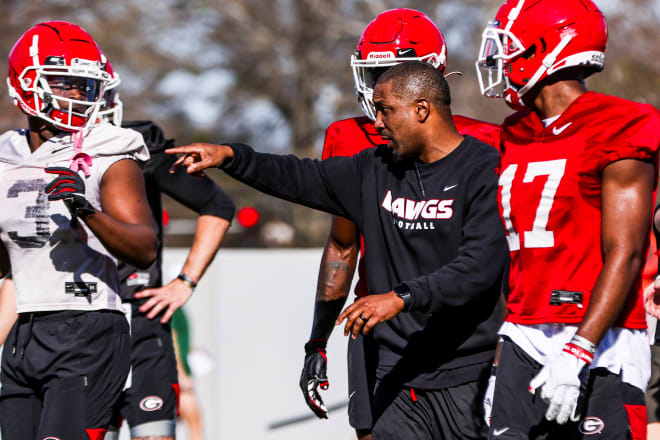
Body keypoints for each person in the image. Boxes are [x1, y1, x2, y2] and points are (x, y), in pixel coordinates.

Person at [169, 61, 508, 439]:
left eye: (385, 109)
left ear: (422, 109)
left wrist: (401, 298)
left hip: (467, 372)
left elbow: (479, 267)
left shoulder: (486, 169)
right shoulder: (375, 169)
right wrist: (231, 157)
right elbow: (299, 176)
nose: (377, 122)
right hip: (396, 374)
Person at [299, 8, 502, 439]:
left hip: (462, 331)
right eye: (374, 74)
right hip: (376, 322)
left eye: (391, 72)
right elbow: (342, 244)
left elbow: (493, 256)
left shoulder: (486, 143)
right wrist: (317, 340)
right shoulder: (346, 137)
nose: (378, 86)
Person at [475, 0, 660, 438]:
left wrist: (579, 349)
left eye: (509, 45)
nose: (499, 58)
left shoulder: (622, 123)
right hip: (523, 331)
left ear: (546, 48)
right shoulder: (514, 131)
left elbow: (627, 251)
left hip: (603, 335)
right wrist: (504, 347)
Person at [0, 21, 157, 439]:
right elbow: (10, 264)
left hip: (87, 328)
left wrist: (85, 209)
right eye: (62, 81)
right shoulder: (6, 154)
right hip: (23, 333)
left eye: (82, 84)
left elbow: (144, 248)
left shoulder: (109, 150)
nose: (73, 93)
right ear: (25, 84)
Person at [98, 62, 235, 440]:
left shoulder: (138, 148)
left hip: (142, 322)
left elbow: (218, 207)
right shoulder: (35, 158)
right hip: (80, 327)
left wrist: (185, 281)